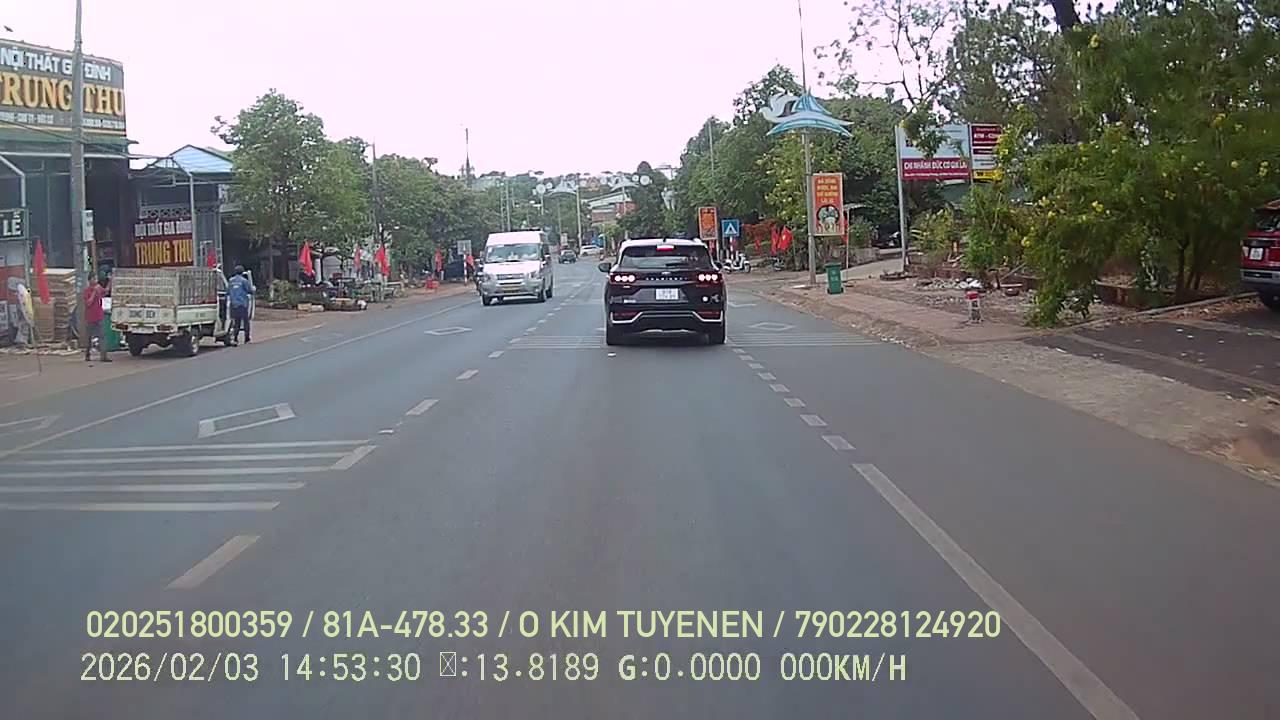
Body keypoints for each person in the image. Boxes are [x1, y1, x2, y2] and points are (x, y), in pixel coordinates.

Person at [83, 274, 111, 362]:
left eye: (96, 278)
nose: (95, 280)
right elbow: (88, 303)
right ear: (89, 280)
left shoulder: (99, 288)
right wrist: (94, 293)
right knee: (89, 337)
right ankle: (87, 354)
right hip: (90, 317)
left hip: (99, 315)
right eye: (94, 279)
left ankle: (104, 356)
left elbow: (106, 292)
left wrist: (110, 281)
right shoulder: (87, 291)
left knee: (102, 336)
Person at [227, 265, 255, 345]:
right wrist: (253, 289)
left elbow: (228, 291)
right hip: (242, 304)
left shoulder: (231, 281)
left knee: (236, 322)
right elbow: (250, 290)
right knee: (246, 322)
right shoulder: (244, 281)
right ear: (242, 272)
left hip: (233, 304)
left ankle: (235, 339)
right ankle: (247, 339)